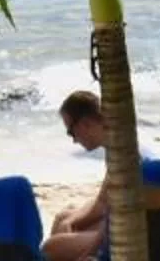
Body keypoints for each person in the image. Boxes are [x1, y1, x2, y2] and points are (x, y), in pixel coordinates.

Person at [45, 90, 109, 261]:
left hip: (137, 231)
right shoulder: (122, 141)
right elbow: (103, 201)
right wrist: (72, 221)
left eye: (71, 132)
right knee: (63, 218)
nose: (74, 140)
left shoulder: (124, 153)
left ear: (85, 123)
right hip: (131, 219)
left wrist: (89, 252)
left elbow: (110, 211)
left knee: (51, 248)